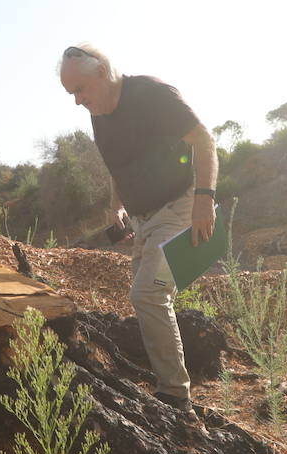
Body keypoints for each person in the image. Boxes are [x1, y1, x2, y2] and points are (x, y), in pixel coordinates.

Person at [58, 43, 218, 413]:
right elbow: (118, 166)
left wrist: (204, 200)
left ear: (102, 73)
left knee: (149, 294)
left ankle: (175, 396)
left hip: (180, 206)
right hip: (144, 219)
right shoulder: (99, 113)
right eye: (71, 94)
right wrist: (116, 207)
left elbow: (204, 141)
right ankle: (166, 377)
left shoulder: (153, 93)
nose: (78, 101)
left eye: (80, 89)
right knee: (148, 296)